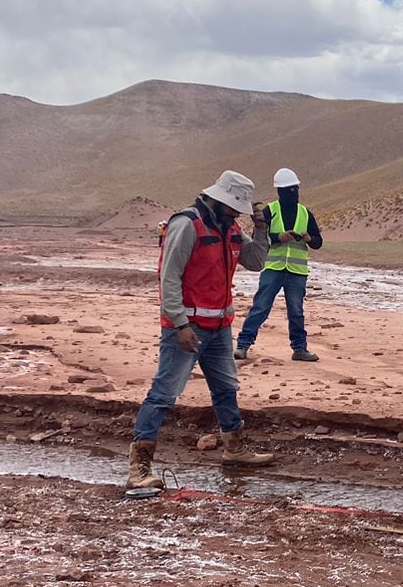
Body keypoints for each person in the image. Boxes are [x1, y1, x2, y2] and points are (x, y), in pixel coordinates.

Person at [125, 170, 275, 490]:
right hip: (187, 329)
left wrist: (262, 229)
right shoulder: (187, 224)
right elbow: (169, 278)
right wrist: (180, 324)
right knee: (164, 393)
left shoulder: (230, 227)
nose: (237, 212)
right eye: (234, 206)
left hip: (219, 327)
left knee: (225, 388)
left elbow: (256, 261)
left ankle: (235, 449)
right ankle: (139, 467)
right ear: (218, 199)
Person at [235, 167, 324, 363]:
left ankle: (299, 349)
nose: (292, 193)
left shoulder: (305, 213)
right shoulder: (270, 210)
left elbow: (318, 242)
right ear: (279, 191)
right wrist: (278, 238)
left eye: (294, 189)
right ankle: (243, 345)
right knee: (261, 307)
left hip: (297, 271)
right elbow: (258, 237)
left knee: (296, 311)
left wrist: (309, 238)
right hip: (273, 268)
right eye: (288, 190)